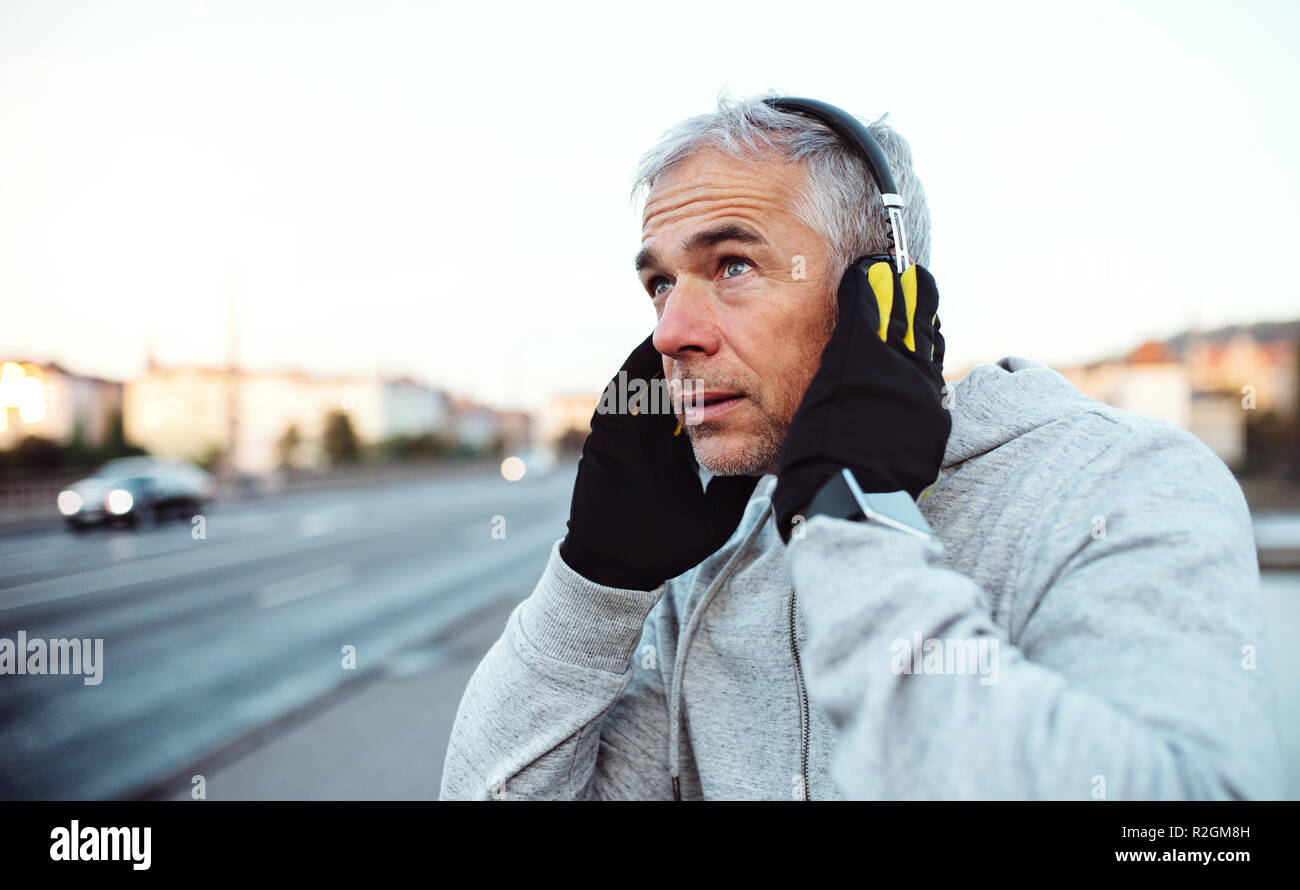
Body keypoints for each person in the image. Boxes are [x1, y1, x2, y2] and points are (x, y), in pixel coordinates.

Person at [439, 93, 1284, 800]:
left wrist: (851, 525)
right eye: (661, 283)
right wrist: (596, 585)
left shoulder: (1119, 487)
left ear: (882, 289)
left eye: (732, 265)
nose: (670, 332)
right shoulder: (712, 556)